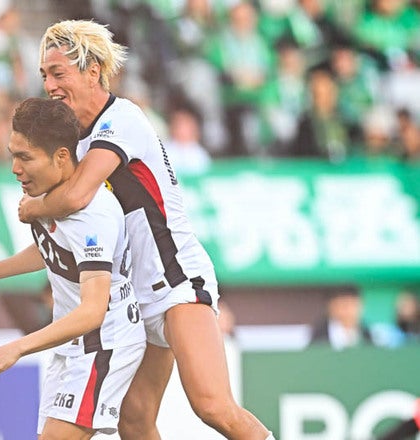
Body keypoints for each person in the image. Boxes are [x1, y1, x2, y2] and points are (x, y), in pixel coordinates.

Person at [18, 19, 274, 440]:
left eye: (58, 73)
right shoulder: (74, 141)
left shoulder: (122, 119)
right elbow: (70, 231)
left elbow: (77, 196)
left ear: (93, 71)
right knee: (134, 420)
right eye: (45, 74)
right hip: (133, 298)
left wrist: (33, 208)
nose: (49, 85)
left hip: (175, 282)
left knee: (212, 406)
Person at [0, 97, 146, 439]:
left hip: (104, 342)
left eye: (25, 157)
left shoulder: (94, 215)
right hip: (72, 343)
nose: (15, 168)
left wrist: (17, 347)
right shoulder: (47, 195)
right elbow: (55, 249)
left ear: (60, 157)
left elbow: (93, 311)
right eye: (12, 155)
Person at [309, 286, 373, 350]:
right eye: (344, 305)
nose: (348, 310)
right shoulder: (319, 335)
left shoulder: (367, 334)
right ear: (331, 307)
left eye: (352, 305)